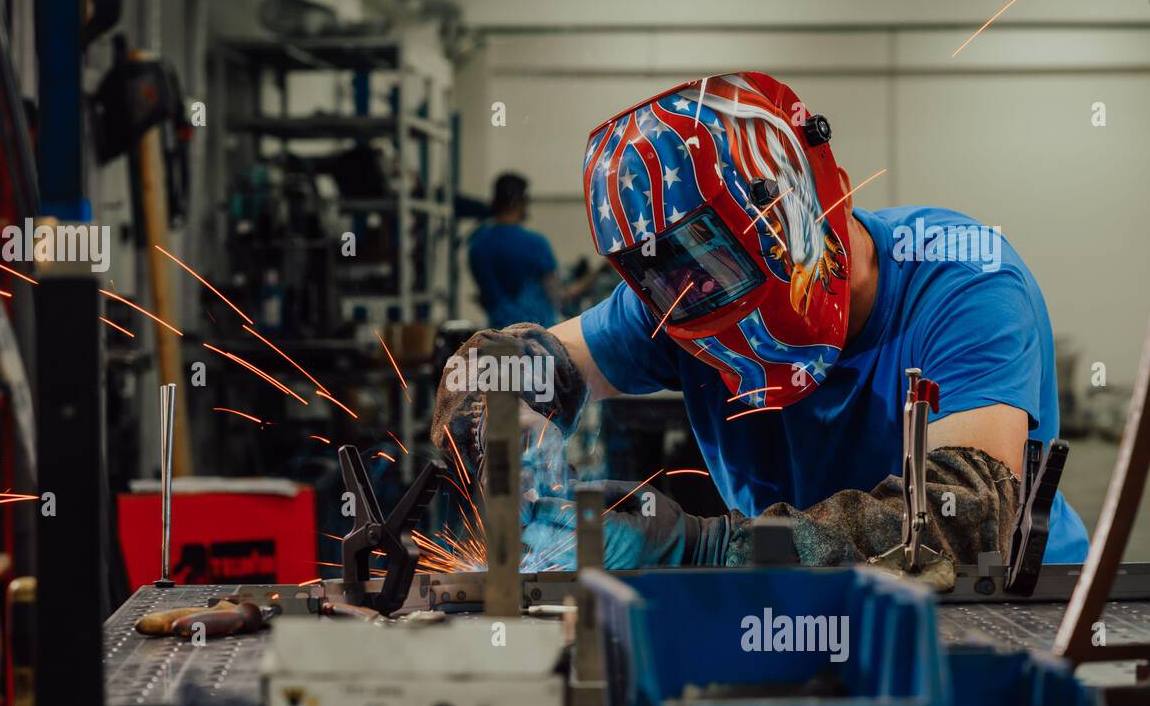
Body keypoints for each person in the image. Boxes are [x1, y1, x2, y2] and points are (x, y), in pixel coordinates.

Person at [432, 72, 1088, 570]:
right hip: (793, 598)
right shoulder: (684, 299)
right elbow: (543, 361)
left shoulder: (966, 281)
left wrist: (710, 549)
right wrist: (486, 391)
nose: (702, 297)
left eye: (719, 266)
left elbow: (961, 521)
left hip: (1005, 605)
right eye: (677, 282)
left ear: (797, 212)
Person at [468, 173, 602, 328]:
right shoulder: (534, 244)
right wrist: (597, 272)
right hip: (534, 339)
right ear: (518, 202)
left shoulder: (477, 245)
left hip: (497, 339)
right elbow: (561, 297)